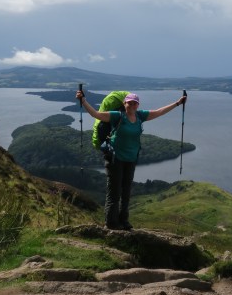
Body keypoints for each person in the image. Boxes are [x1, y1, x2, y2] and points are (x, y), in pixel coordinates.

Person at [76, 88, 186, 230]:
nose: (132, 105)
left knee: (126, 191)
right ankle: (111, 223)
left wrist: (177, 103)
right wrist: (83, 100)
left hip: (131, 159)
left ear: (138, 105)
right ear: (124, 103)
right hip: (115, 158)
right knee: (114, 192)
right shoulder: (117, 116)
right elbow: (96, 114)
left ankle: (124, 221)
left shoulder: (140, 116)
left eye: (135, 103)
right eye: (130, 103)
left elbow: (159, 112)